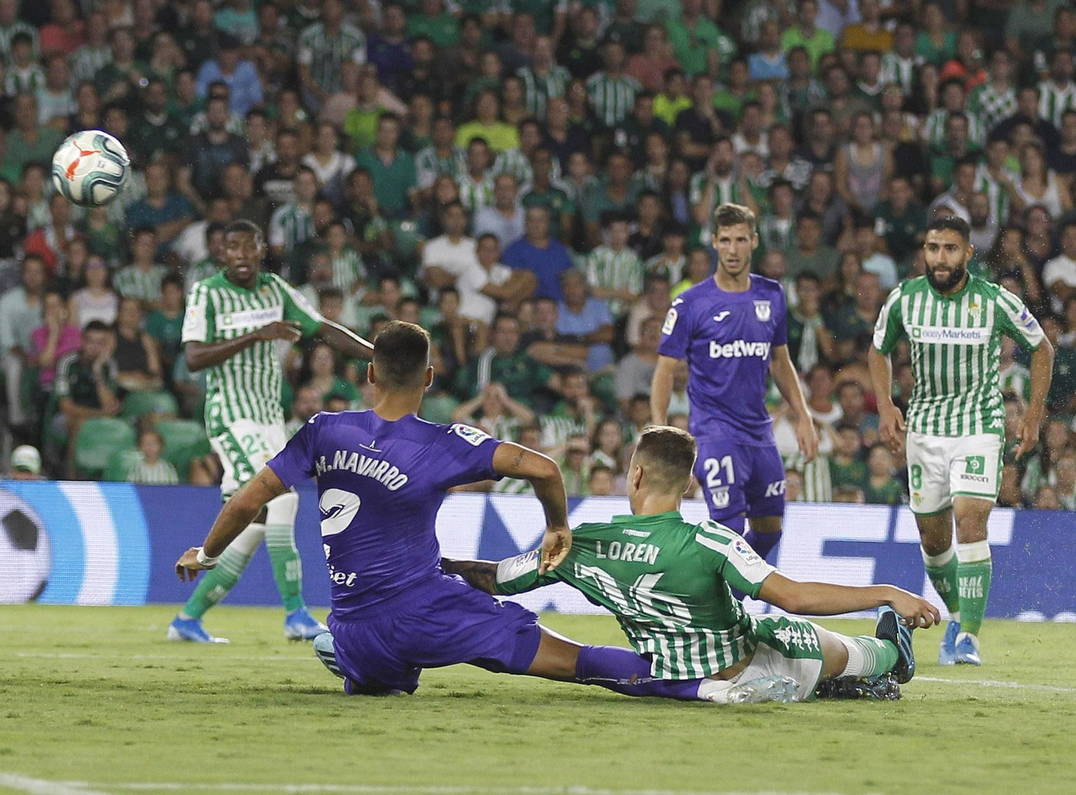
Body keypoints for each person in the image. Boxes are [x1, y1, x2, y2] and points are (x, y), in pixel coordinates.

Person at [176, 323, 777, 703]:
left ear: (368, 375)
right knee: (574, 663)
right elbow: (544, 467)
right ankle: (709, 685)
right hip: (426, 610)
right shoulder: (444, 443)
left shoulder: (323, 430)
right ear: (431, 378)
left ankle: (344, 654)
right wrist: (558, 528)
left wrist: (205, 554)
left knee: (366, 661)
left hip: (357, 631)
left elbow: (250, 498)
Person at [445, 425, 939, 703]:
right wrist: (886, 591)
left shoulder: (582, 542)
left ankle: (870, 671)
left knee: (813, 653)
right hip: (754, 666)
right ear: (687, 485)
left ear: (634, 474)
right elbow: (792, 596)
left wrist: (434, 562)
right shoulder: (710, 540)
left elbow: (495, 578)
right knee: (827, 646)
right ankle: (892, 655)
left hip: (681, 675)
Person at [170, 220, 374, 643]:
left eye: (250, 245)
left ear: (263, 249)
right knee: (281, 498)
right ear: (221, 253)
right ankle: (296, 614)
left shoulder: (275, 290)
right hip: (231, 416)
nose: (242, 253)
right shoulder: (207, 292)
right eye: (233, 246)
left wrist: (379, 354)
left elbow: (323, 328)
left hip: (269, 420)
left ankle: (187, 620)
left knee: (253, 523)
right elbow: (193, 358)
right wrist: (257, 335)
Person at [870, 214, 1054, 667]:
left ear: (968, 253)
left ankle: (970, 636)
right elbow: (878, 350)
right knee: (933, 543)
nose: (940, 258)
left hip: (978, 426)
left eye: (950, 249)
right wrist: (885, 406)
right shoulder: (905, 299)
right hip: (925, 430)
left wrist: (1032, 414)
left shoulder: (993, 300)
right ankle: (957, 617)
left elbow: (1042, 347)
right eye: (933, 248)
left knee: (971, 521)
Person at [650, 204, 817, 566]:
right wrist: (660, 427)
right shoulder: (691, 304)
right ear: (713, 242)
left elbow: (780, 360)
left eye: (740, 239)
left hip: (759, 431)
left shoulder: (771, 295)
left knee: (770, 529)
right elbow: (665, 369)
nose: (732, 249)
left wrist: (803, 416)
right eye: (725, 240)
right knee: (728, 526)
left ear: (754, 242)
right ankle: (714, 613)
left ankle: (724, 598)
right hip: (714, 431)